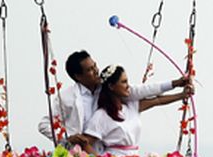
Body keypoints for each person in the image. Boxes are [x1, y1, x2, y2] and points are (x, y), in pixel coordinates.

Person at [38, 51, 189, 150]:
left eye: (95, 66)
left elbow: (142, 92)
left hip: (105, 153)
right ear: (78, 76)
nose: (96, 71)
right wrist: (67, 137)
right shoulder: (66, 97)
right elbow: (45, 124)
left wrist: (174, 84)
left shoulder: (107, 88)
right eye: (90, 70)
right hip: (80, 155)